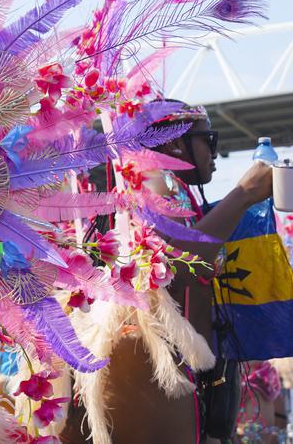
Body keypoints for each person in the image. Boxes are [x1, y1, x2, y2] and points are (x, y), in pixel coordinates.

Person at [63, 101, 273, 444]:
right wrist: (243, 194)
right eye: (209, 140)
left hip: (180, 372)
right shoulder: (148, 177)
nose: (215, 153)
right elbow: (176, 267)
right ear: (175, 143)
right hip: (151, 371)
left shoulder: (178, 189)